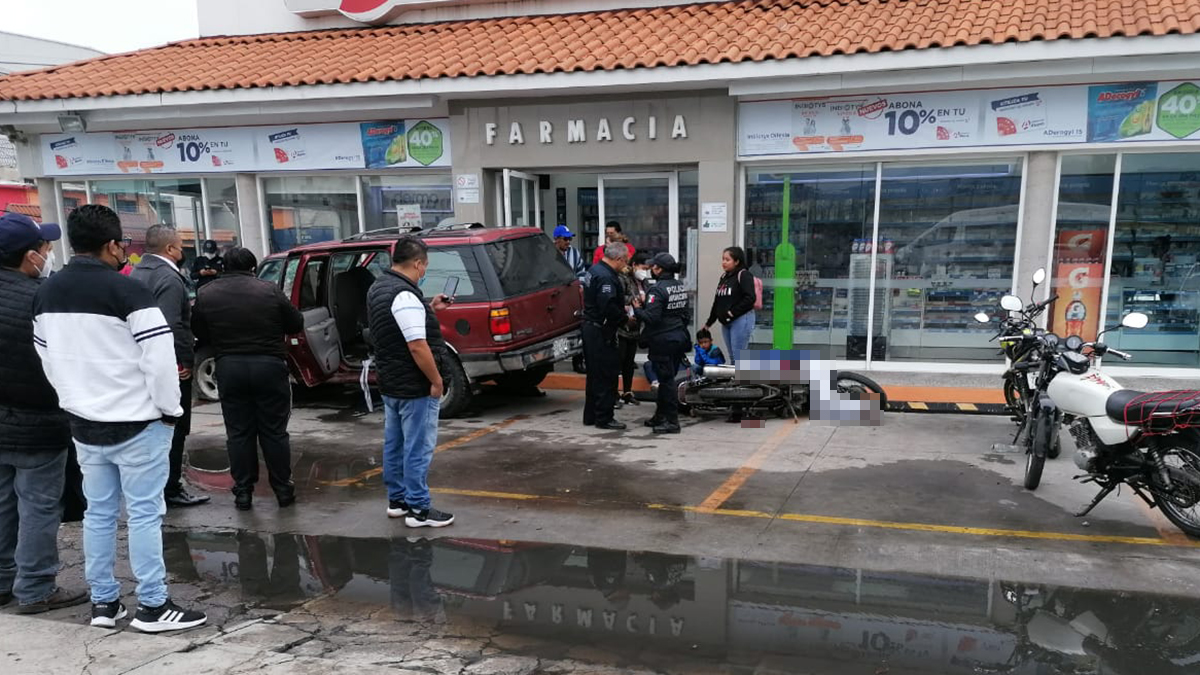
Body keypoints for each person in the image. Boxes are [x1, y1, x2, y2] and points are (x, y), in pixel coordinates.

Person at [33, 204, 207, 632]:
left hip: (84, 422)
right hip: (137, 422)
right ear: (113, 245)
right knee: (145, 514)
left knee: (99, 514)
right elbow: (160, 362)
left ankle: (104, 604)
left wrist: (73, 399)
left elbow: (47, 359)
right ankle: (152, 605)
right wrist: (170, 411)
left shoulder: (46, 292)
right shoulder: (129, 292)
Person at [0, 213, 88, 615]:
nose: (49, 253)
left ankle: (3, 581)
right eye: (46, 247)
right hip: (37, 423)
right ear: (30, 256)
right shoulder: (40, 298)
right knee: (38, 505)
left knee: (2, 504)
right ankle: (35, 587)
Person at [192, 247, 303, 512]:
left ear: (224, 268)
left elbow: (199, 330)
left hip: (229, 367)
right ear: (253, 267)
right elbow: (295, 323)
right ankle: (283, 489)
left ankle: (243, 492)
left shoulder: (207, 293)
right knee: (274, 432)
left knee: (238, 433)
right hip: (269, 366)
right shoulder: (269, 290)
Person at [366, 236, 456, 528]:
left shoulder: (379, 287)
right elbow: (417, 345)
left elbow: (396, 326)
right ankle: (419, 509)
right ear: (417, 263)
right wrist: (436, 381)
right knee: (417, 447)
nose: (424, 272)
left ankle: (398, 501)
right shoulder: (404, 296)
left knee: (395, 444)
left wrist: (429, 307)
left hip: (391, 382)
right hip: (413, 385)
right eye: (425, 266)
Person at [130, 225, 209, 509]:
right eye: (179, 246)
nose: (182, 251)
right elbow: (171, 325)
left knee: (154, 428)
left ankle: (157, 484)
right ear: (170, 250)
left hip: (142, 362)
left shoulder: (139, 272)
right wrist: (182, 362)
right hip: (170, 366)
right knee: (175, 428)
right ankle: (170, 487)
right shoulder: (169, 278)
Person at [633, 253, 691, 434]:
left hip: (662, 340)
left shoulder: (657, 290)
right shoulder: (679, 286)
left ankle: (672, 421)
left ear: (659, 269)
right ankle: (660, 416)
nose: (651, 270)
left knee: (666, 381)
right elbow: (686, 315)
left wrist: (637, 309)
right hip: (678, 338)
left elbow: (652, 318)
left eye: (653, 267)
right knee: (668, 378)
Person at [582, 242, 630, 430]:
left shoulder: (594, 270)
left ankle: (591, 415)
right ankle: (604, 417)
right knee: (606, 374)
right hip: (601, 330)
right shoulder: (606, 277)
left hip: (591, 328)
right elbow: (607, 306)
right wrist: (624, 318)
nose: (626, 264)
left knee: (594, 374)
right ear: (618, 259)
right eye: (625, 260)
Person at [704, 246, 757, 365]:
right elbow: (718, 300)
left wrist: (732, 313)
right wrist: (709, 323)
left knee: (739, 357)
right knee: (733, 356)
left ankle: (743, 381)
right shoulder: (724, 277)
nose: (723, 262)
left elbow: (750, 298)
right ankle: (737, 381)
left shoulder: (744, 275)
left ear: (737, 261)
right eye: (723, 259)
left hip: (741, 319)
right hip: (726, 321)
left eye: (727, 260)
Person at [616, 252, 650, 407]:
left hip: (635, 326)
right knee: (620, 361)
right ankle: (614, 393)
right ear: (634, 265)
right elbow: (617, 298)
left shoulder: (643, 282)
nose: (645, 272)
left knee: (629, 362)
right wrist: (635, 300)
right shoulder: (624, 278)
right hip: (623, 326)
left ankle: (627, 392)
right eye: (643, 267)